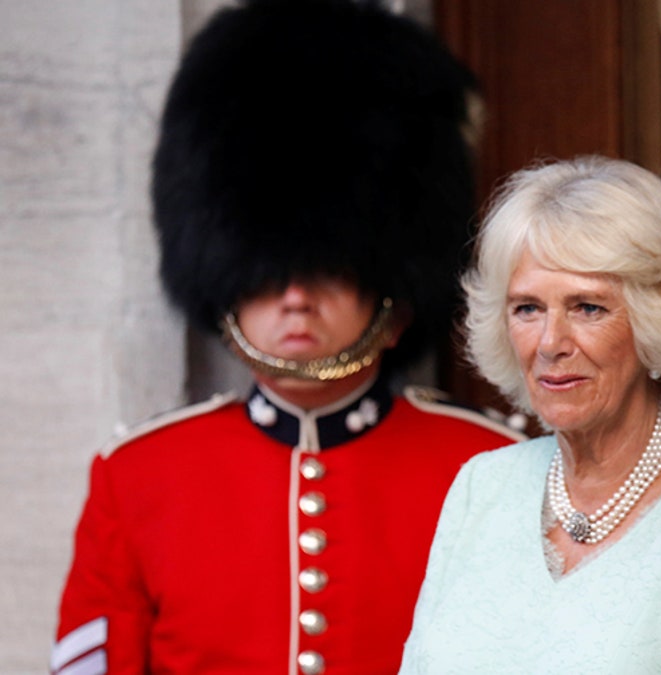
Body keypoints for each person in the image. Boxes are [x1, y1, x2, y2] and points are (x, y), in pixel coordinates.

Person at [51, 1, 521, 673]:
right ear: (226, 283)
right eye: (268, 273)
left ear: (392, 298)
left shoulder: (490, 469)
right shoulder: (136, 479)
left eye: (329, 270)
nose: (295, 297)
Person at [400, 156, 661, 673]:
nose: (551, 343)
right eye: (527, 308)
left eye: (588, 308)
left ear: (656, 322)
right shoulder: (482, 486)